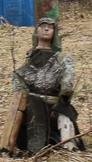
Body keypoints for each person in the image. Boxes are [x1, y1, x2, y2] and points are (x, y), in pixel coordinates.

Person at [12, 17, 85, 153]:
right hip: (33, 104)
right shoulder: (22, 70)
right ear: (37, 30)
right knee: (31, 105)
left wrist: (64, 94)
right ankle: (32, 148)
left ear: (54, 32)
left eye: (50, 27)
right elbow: (19, 92)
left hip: (55, 102)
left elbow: (67, 83)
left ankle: (70, 147)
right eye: (43, 26)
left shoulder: (64, 61)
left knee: (64, 112)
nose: (46, 29)